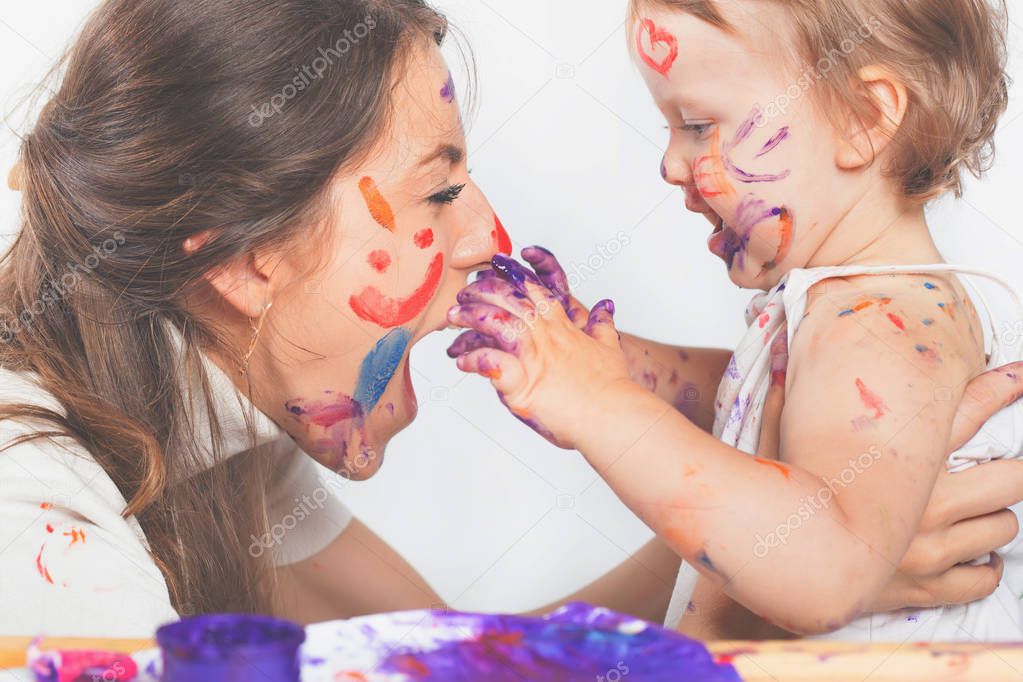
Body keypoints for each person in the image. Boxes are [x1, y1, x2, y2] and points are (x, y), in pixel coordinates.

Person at [0, 0, 1019, 640]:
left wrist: (782, 525)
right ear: (246, 260)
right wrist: (771, 562)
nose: (490, 234)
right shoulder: (35, 530)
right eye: (440, 192)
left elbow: (458, 657)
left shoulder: (216, 435)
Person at [447, 0, 1023, 640]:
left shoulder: (877, 327)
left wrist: (596, 402)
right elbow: (746, 393)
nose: (669, 164)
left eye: (696, 124)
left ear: (862, 120)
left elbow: (826, 572)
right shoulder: (847, 310)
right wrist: (613, 361)